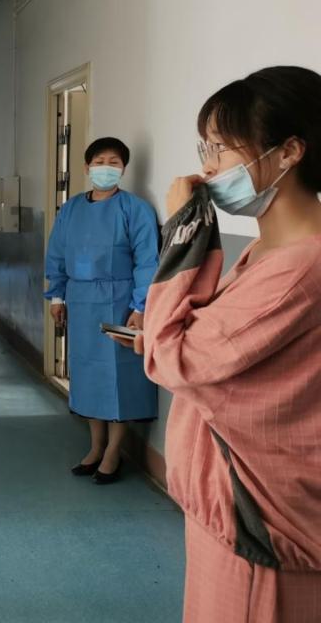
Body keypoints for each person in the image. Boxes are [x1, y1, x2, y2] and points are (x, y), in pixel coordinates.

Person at [125, 67, 321, 622]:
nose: (208, 166)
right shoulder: (266, 253)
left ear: (289, 152)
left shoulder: (299, 269)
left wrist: (185, 225)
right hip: (228, 514)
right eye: (204, 148)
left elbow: (174, 358)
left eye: (221, 147)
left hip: (262, 524)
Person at [44, 137, 159, 484]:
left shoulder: (135, 209)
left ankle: (114, 451)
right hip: (80, 302)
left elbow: (147, 262)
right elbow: (57, 253)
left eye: (114, 162)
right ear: (86, 167)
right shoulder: (71, 209)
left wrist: (140, 306)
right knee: (88, 373)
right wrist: (57, 297)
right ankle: (96, 446)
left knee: (118, 375)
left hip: (120, 301)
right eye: (99, 162)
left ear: (123, 168)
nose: (105, 168)